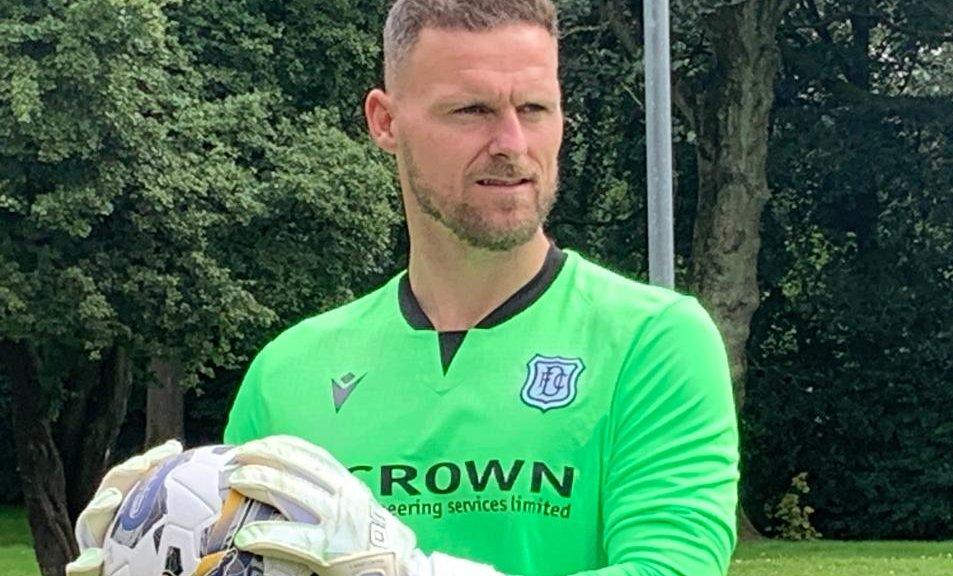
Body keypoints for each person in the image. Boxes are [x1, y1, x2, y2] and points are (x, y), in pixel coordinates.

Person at [67, 1, 739, 576]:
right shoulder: (289, 371)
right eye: (472, 109)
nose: (511, 142)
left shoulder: (654, 341)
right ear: (385, 121)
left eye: (534, 108)